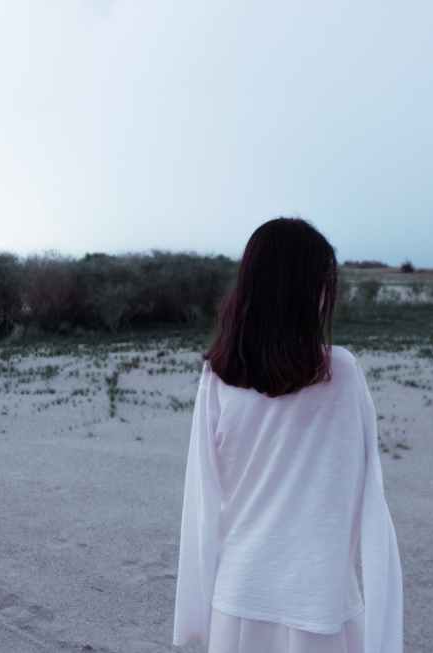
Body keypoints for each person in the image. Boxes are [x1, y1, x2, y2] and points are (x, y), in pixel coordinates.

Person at [171, 217, 403, 653]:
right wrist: (383, 628)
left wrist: (193, 619)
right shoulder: (342, 375)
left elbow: (201, 501)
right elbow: (370, 499)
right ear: (309, 291)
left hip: (240, 597)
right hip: (321, 598)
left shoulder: (219, 378)